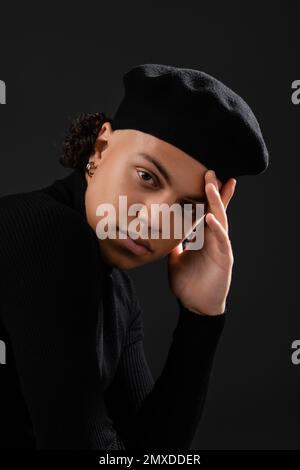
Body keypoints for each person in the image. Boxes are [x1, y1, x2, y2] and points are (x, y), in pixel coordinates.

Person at [0, 64, 269, 450]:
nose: (153, 220)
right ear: (101, 148)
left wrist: (202, 317)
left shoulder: (118, 294)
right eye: (147, 177)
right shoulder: (44, 232)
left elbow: (154, 453)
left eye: (188, 207)